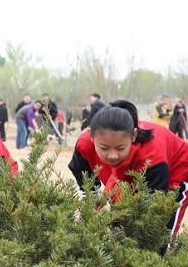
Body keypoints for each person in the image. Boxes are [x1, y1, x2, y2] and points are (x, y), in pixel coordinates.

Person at [68, 100, 188, 254]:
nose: (112, 155)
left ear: (133, 136)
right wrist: (91, 201)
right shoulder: (84, 144)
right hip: (128, 175)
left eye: (120, 148)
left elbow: (154, 209)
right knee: (120, 228)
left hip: (175, 172)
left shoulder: (151, 157)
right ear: (91, 136)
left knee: (157, 238)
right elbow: (83, 174)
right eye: (104, 148)